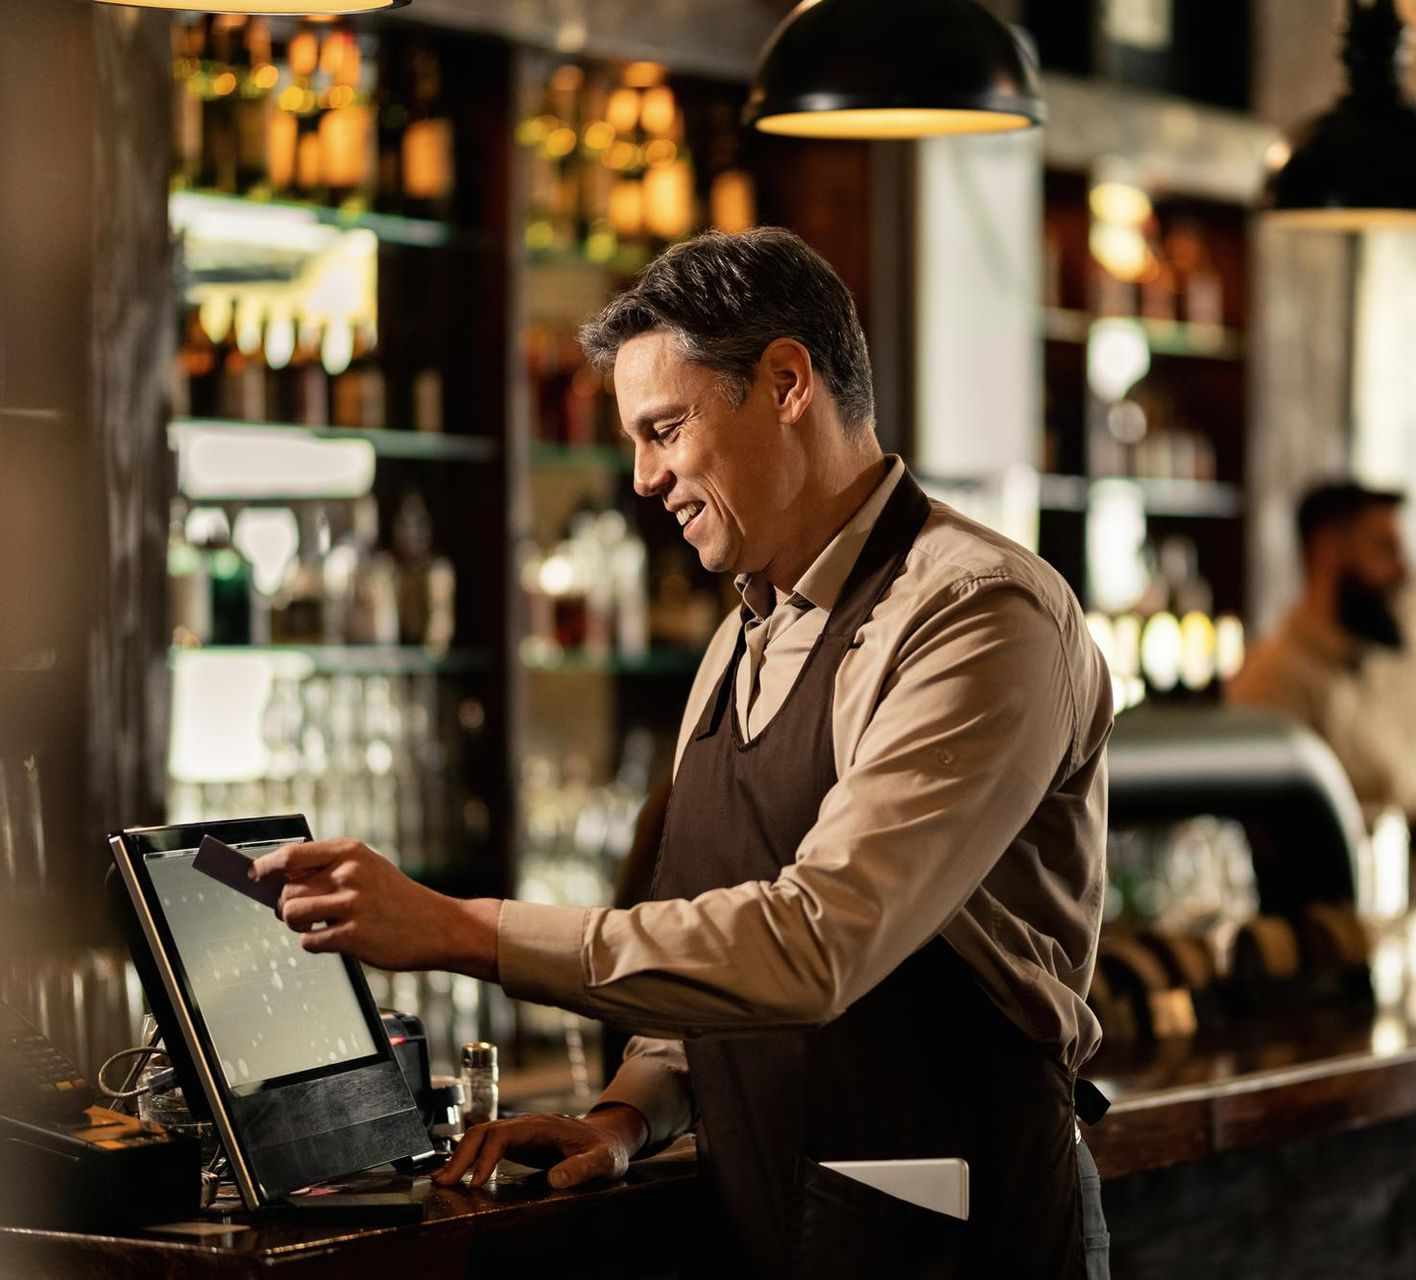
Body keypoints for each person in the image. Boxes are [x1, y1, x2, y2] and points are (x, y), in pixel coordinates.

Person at [251, 228, 1113, 1277]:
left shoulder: (977, 613)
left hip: (958, 1233)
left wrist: (455, 927)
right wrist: (628, 1111)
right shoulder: (740, 638)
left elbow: (814, 942)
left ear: (787, 381)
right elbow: (716, 925)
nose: (644, 477)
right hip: (759, 1219)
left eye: (665, 429)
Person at [1227, 481, 1415, 822]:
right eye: (1386, 549)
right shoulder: (1274, 680)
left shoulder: (1379, 660)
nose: (1404, 571)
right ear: (1328, 551)